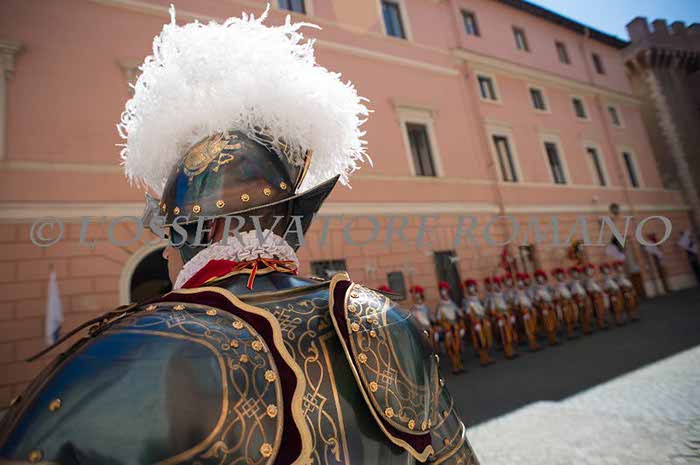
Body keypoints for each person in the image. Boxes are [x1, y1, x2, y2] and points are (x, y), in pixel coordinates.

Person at [0, 9, 480, 465]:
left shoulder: (129, 353)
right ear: (288, 219)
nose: (165, 255)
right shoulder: (380, 316)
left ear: (204, 230)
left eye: (169, 237)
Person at [463, 279, 495, 366]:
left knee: (486, 339)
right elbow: (469, 314)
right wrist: (474, 323)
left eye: (473, 287)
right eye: (470, 287)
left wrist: (486, 319)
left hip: (483, 321)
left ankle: (487, 356)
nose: (472, 289)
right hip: (476, 323)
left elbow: (483, 310)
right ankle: (482, 358)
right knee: (479, 340)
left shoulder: (478, 299)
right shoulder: (468, 301)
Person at [435, 281, 465, 374]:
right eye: (442, 290)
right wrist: (442, 327)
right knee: (451, 348)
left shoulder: (452, 303)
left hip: (455, 328)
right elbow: (438, 319)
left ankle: (460, 364)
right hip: (447, 329)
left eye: (445, 290)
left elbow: (459, 314)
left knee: (458, 347)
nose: (444, 292)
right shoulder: (440, 305)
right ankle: (454, 366)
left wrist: (462, 326)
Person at [484, 277, 517, 359]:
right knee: (504, 335)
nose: (497, 287)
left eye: (498, 285)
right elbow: (492, 310)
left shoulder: (502, 295)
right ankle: (507, 352)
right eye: (495, 286)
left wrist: (510, 312)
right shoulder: (493, 298)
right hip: (500, 318)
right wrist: (497, 316)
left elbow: (507, 305)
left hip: (506, 316)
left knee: (510, 333)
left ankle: (511, 350)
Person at [513, 273, 541, 351]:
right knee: (529, 329)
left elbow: (531, 301)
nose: (521, 285)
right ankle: (532, 345)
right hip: (525, 313)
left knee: (533, 328)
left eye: (522, 284)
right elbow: (515, 305)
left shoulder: (526, 292)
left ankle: (535, 343)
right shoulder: (517, 295)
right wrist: (521, 310)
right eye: (519, 284)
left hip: (531, 311)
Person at [533, 270, 559, 345]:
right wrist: (540, 304)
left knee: (553, 321)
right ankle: (551, 339)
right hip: (544, 308)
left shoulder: (548, 286)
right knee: (548, 324)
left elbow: (553, 293)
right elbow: (536, 300)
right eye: (538, 278)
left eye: (541, 277)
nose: (540, 279)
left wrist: (553, 297)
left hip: (550, 306)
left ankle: (554, 337)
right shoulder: (536, 288)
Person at [552, 267, 577, 339]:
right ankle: (569, 333)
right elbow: (556, 297)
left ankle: (572, 331)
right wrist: (561, 300)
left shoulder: (566, 284)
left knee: (572, 316)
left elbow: (570, 293)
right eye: (558, 275)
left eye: (561, 275)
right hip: (563, 304)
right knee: (566, 318)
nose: (560, 277)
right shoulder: (556, 286)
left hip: (569, 303)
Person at [569, 266, 594, 335]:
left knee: (587, 312)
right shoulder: (571, 283)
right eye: (573, 273)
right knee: (581, 314)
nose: (575, 274)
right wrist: (577, 299)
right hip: (578, 300)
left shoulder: (582, 280)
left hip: (584, 298)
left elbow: (586, 288)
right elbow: (572, 293)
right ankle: (585, 329)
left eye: (576, 273)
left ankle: (588, 326)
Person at [583, 264, 608, 330]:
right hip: (592, 297)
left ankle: (602, 321)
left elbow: (599, 287)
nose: (590, 271)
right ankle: (595, 324)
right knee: (594, 309)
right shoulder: (586, 280)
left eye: (591, 270)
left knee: (601, 308)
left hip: (598, 296)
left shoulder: (594, 279)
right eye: (588, 270)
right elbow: (588, 290)